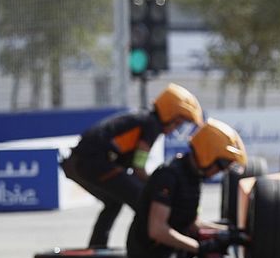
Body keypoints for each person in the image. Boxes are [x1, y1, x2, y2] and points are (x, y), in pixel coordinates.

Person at [113, 118, 247, 258]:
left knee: (214, 251)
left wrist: (230, 232)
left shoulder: (193, 177)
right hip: (150, 257)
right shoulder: (169, 176)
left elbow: (192, 224)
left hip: (170, 251)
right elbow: (157, 230)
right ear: (208, 153)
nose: (221, 171)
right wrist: (200, 248)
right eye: (222, 164)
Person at [61, 83, 204, 248]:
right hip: (92, 162)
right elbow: (138, 168)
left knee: (114, 202)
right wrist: (160, 187)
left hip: (77, 163)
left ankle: (97, 248)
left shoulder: (144, 119)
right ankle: (151, 249)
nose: (176, 128)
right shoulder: (152, 124)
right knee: (143, 200)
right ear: (170, 113)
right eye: (178, 122)